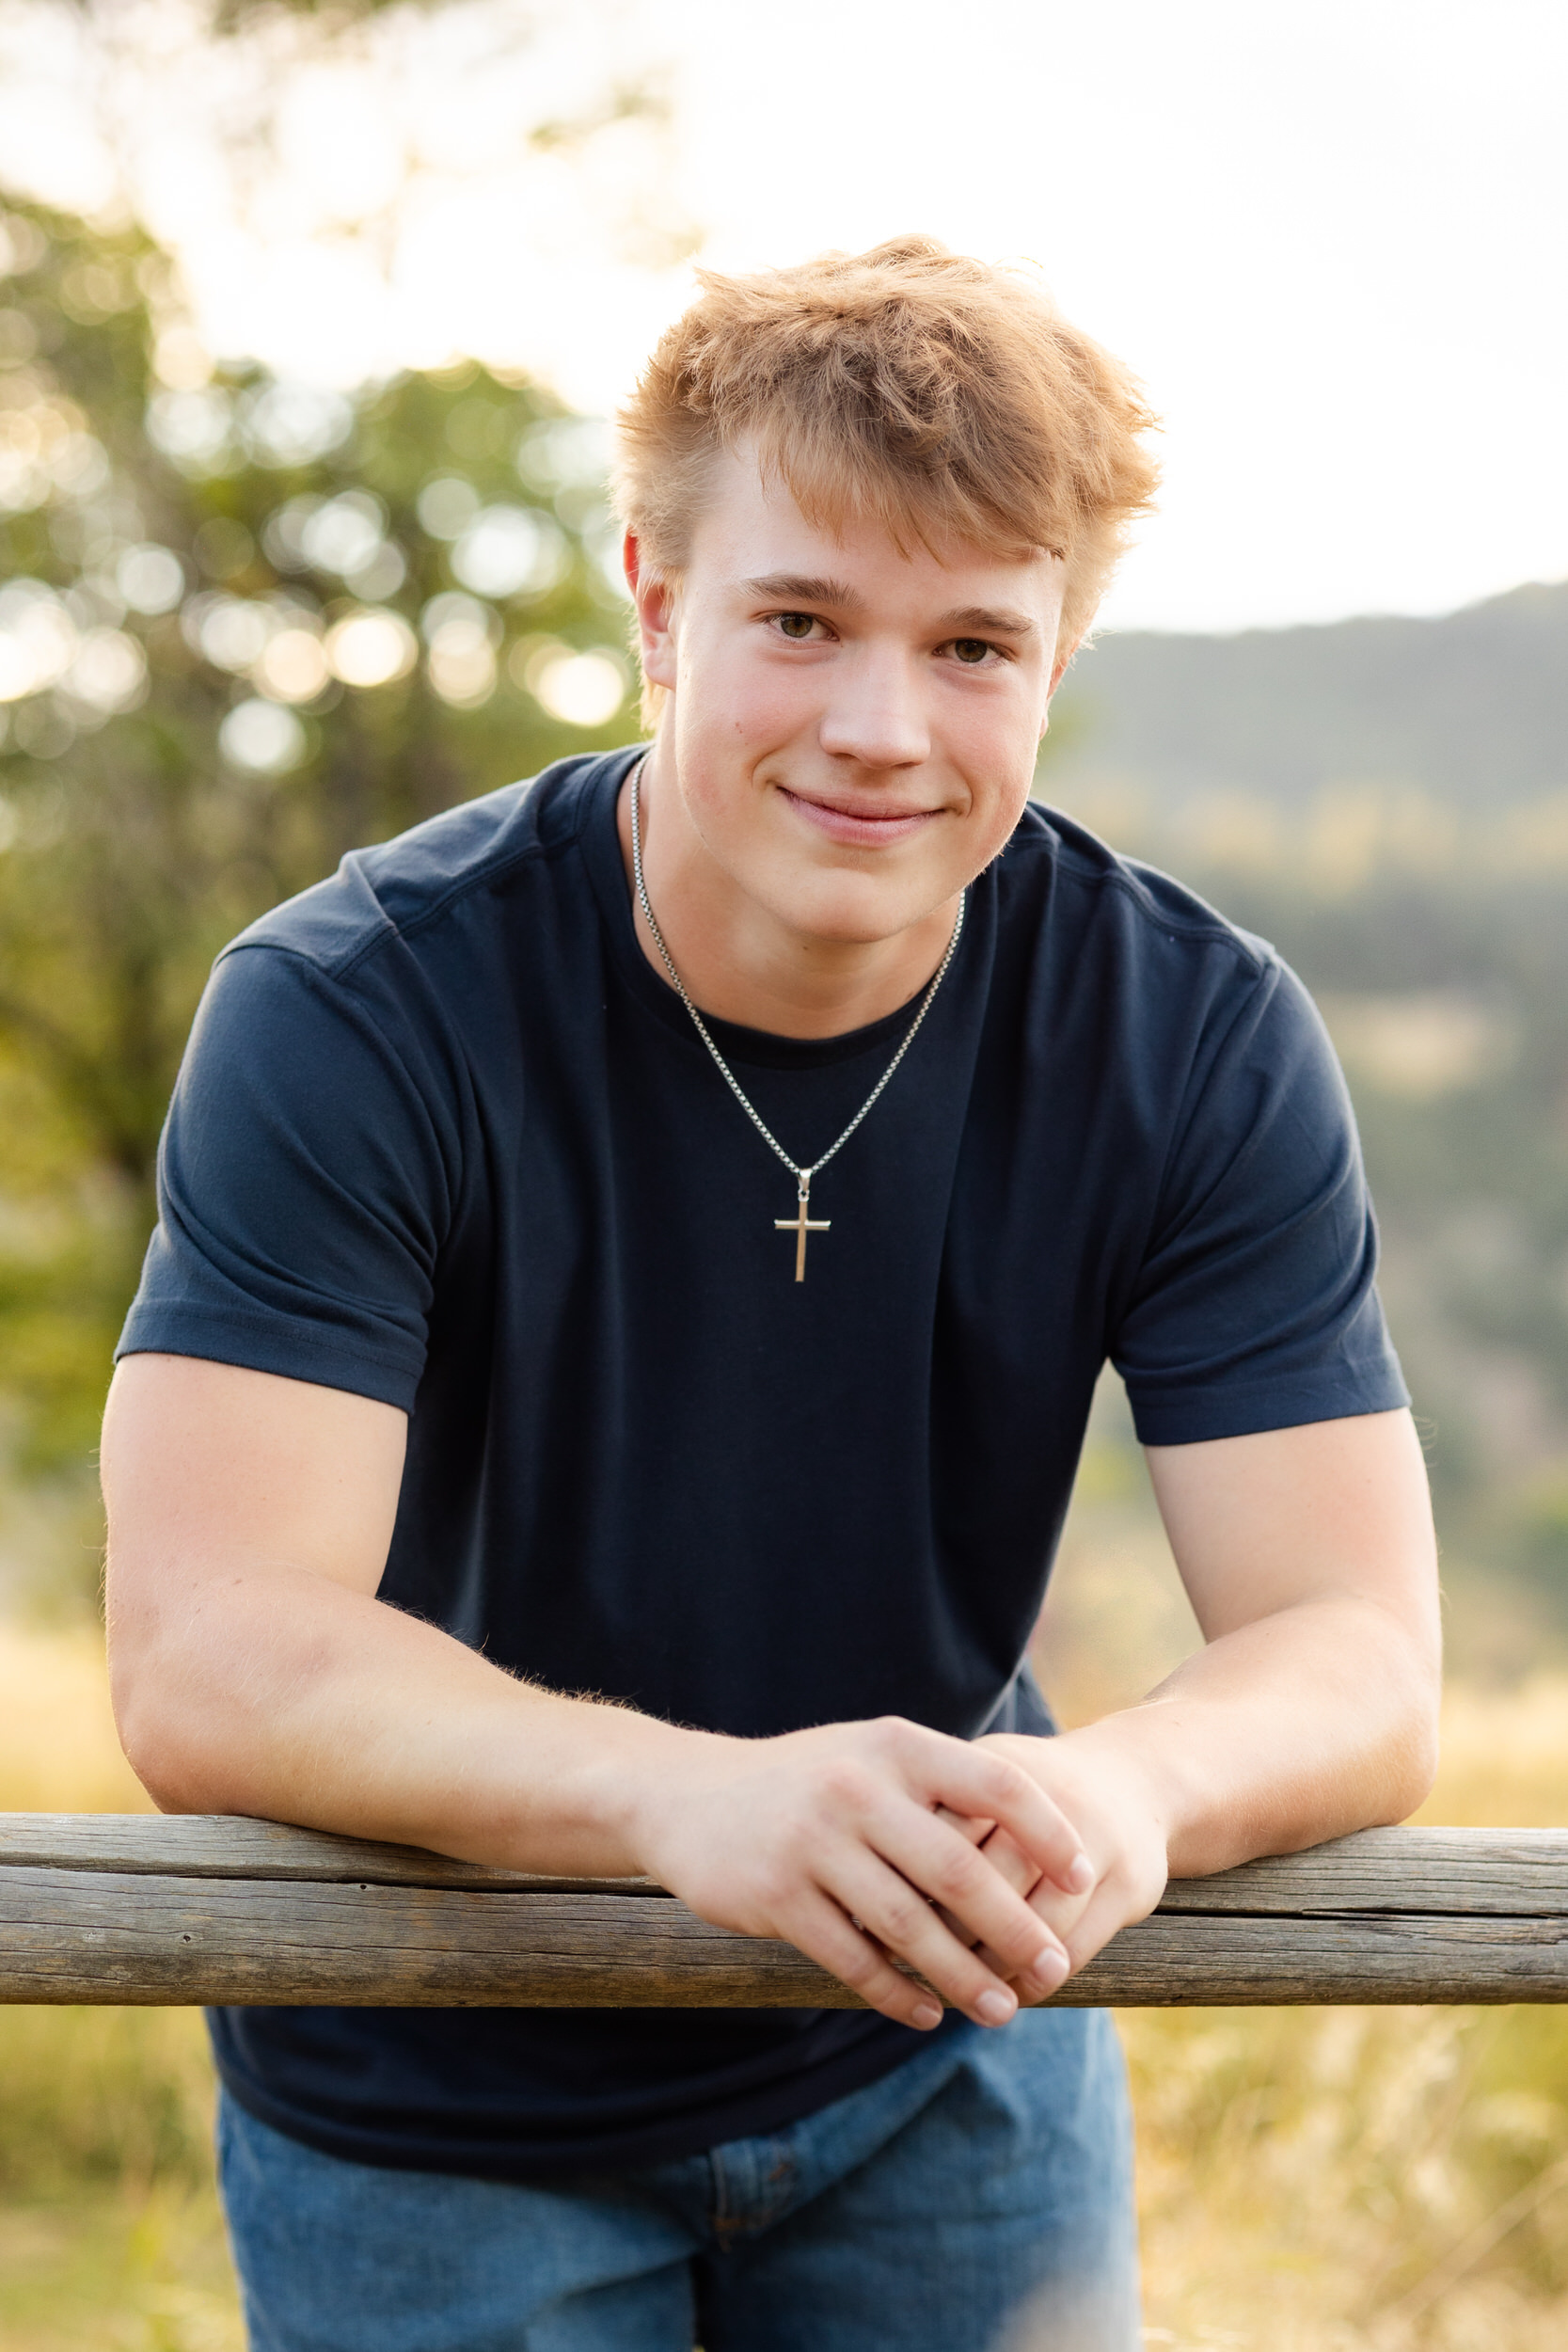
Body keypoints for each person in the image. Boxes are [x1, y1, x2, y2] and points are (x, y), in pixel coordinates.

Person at [101, 238, 1441, 2352]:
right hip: (437, 2093)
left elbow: (1356, 1644)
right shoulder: (352, 1010)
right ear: (652, 596)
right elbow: (206, 1652)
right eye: (800, 619)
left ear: (1058, 655)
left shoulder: (1189, 1031)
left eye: (976, 642)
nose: (882, 726)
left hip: (945, 2057)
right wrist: (684, 1793)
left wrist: (1127, 1792)